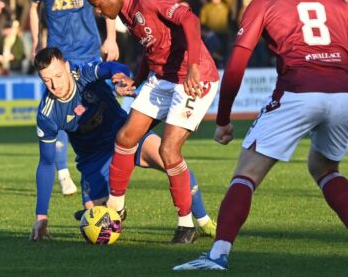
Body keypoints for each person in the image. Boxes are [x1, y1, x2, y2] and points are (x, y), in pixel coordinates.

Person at [174, 0, 348, 270]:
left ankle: (217, 256)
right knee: (324, 168)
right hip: (343, 92)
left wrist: (223, 118)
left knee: (246, 173)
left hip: (299, 90)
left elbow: (238, 63)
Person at [82, 0, 220, 244]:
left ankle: (186, 225)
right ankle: (116, 208)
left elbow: (190, 20)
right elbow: (152, 47)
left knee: (168, 150)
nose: (98, 12)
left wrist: (193, 66)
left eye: (98, 5)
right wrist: (138, 79)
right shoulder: (124, 10)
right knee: (125, 136)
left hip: (194, 78)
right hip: (163, 79)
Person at [30, 47, 216, 241]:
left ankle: (203, 221)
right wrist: (41, 217)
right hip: (93, 159)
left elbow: (114, 67)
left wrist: (119, 80)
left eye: (58, 75)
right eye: (46, 80)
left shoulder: (84, 74)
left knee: (172, 162)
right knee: (99, 225)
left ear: (67, 67)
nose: (54, 85)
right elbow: (47, 163)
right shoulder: (47, 113)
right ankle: (113, 207)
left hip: (126, 135)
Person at [29, 0, 120, 197]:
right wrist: (37, 41)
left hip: (89, 53)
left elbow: (108, 3)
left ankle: (110, 163)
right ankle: (63, 172)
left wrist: (111, 38)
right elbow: (34, 9)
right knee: (61, 112)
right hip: (60, 59)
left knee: (100, 108)